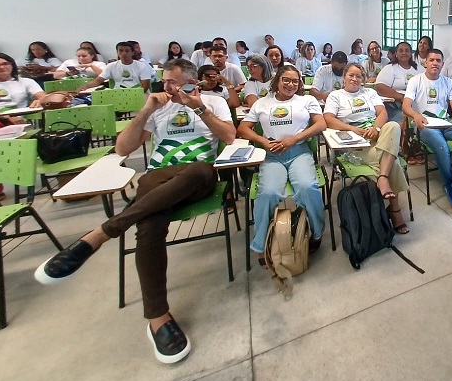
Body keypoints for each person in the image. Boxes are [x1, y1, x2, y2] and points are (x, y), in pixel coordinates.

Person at [35, 58, 236, 363]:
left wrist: (198, 107)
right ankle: (158, 318)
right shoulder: (157, 107)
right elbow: (122, 149)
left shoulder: (212, 101)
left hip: (199, 174)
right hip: (157, 176)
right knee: (150, 224)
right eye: (166, 81)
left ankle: (102, 233)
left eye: (174, 82)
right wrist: (146, 111)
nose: (167, 87)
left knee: (196, 172)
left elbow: (229, 138)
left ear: (191, 82)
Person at [237, 66, 326, 261]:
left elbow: (321, 124)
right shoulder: (262, 103)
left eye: (295, 81)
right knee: (268, 193)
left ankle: (317, 233)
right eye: (286, 80)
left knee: (306, 187)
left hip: (299, 152)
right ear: (277, 80)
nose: (290, 84)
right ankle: (261, 244)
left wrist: (294, 139)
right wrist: (263, 141)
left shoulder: (307, 100)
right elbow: (243, 128)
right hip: (272, 154)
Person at [323, 63, 410, 234]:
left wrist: (376, 129)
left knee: (393, 126)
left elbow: (382, 113)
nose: (355, 79)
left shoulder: (369, 93)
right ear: (344, 77)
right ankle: (394, 209)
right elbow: (328, 119)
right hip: (354, 141)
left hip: (375, 133)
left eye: (359, 76)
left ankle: (383, 178)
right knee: (391, 159)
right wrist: (353, 129)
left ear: (363, 79)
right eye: (351, 75)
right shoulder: (336, 95)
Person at [402, 48, 452, 211]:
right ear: (425, 63)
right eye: (432, 60)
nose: (435, 63)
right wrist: (415, 115)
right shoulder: (416, 81)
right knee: (443, 147)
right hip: (425, 126)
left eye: (438, 60)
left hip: (446, 123)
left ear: (442, 64)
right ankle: (451, 185)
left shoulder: (447, 82)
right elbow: (406, 106)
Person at [374, 41, 423, 123]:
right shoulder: (389, 68)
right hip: (395, 106)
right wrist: (401, 97)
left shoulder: (419, 69)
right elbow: (380, 87)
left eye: (407, 51)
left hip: (417, 105)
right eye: (401, 51)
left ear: (411, 54)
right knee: (403, 121)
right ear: (396, 54)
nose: (404, 53)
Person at [78, 41, 153, 92]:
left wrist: (132, 95)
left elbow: (145, 87)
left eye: (127, 51)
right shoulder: (111, 66)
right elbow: (98, 80)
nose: (124, 53)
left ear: (132, 52)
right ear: (117, 52)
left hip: (139, 93)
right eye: (120, 51)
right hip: (118, 93)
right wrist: (84, 87)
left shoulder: (142, 65)